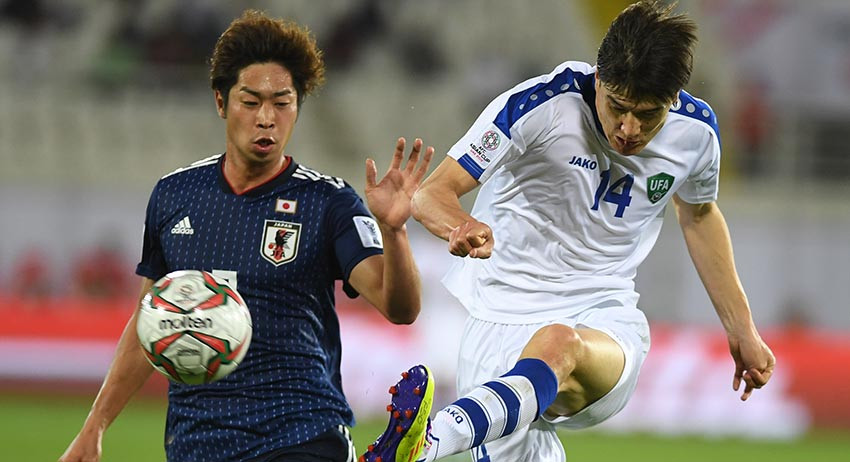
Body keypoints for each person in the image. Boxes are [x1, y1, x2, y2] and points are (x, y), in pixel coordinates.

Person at [360, 2, 775, 461]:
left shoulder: (696, 134)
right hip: (501, 321)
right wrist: (461, 224)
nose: (629, 129)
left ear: (674, 99)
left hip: (603, 318)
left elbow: (698, 215)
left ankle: (429, 442)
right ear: (598, 78)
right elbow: (431, 194)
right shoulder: (540, 106)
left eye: (647, 114)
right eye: (618, 107)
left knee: (562, 343)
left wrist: (742, 328)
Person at [60, 9, 433, 462]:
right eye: (251, 101)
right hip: (196, 443)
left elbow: (401, 308)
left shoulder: (328, 203)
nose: (266, 118)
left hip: (302, 433)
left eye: (282, 103)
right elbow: (149, 323)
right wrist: (95, 426)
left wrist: (394, 232)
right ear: (221, 102)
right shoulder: (174, 196)